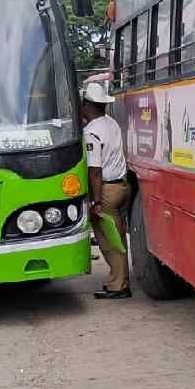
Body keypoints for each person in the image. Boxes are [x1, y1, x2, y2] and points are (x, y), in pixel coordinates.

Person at [80, 82, 131, 299]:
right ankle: (119, 281)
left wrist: (96, 202)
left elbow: (95, 171)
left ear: (87, 105)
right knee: (118, 236)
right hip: (122, 186)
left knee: (109, 241)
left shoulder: (92, 132)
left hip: (107, 191)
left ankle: (118, 286)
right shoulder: (111, 124)